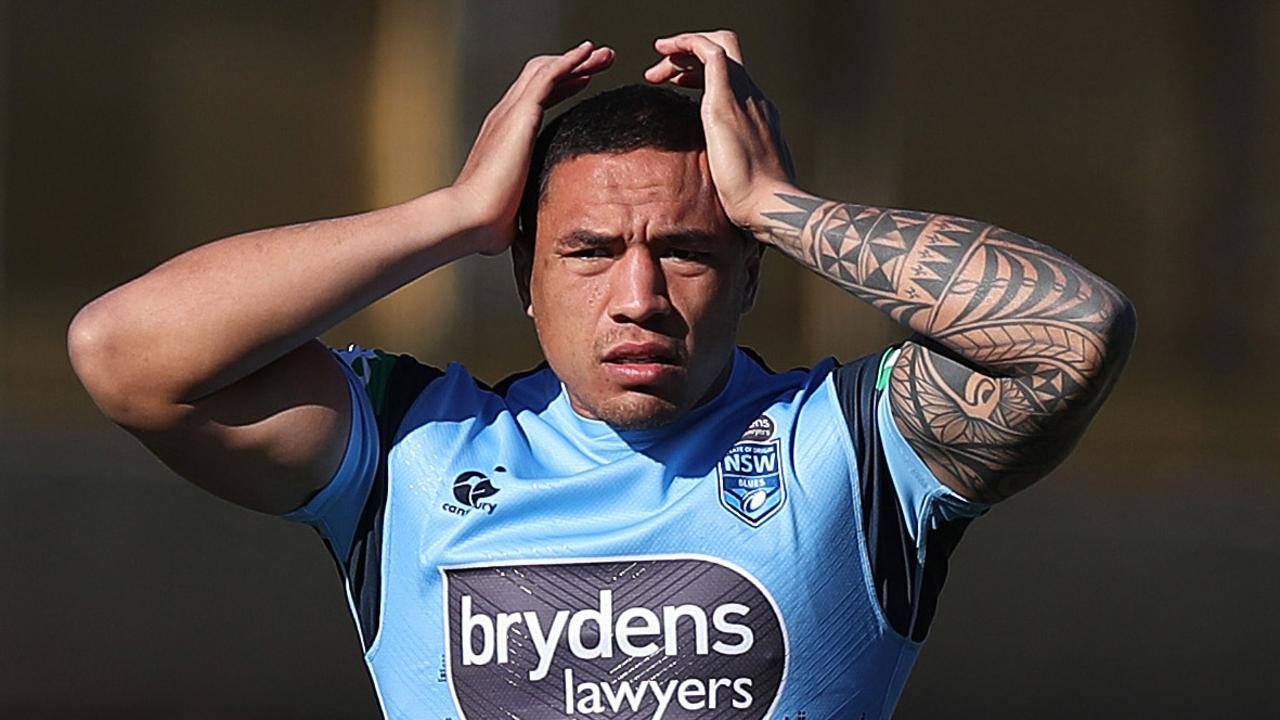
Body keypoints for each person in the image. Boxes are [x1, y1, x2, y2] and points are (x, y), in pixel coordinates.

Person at [68, 30, 1135, 720]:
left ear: (747, 276)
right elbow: (124, 352)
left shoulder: (853, 447)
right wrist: (450, 216)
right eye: (586, 253)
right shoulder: (413, 448)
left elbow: (1072, 335)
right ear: (523, 276)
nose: (637, 296)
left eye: (686, 251)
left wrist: (775, 205)